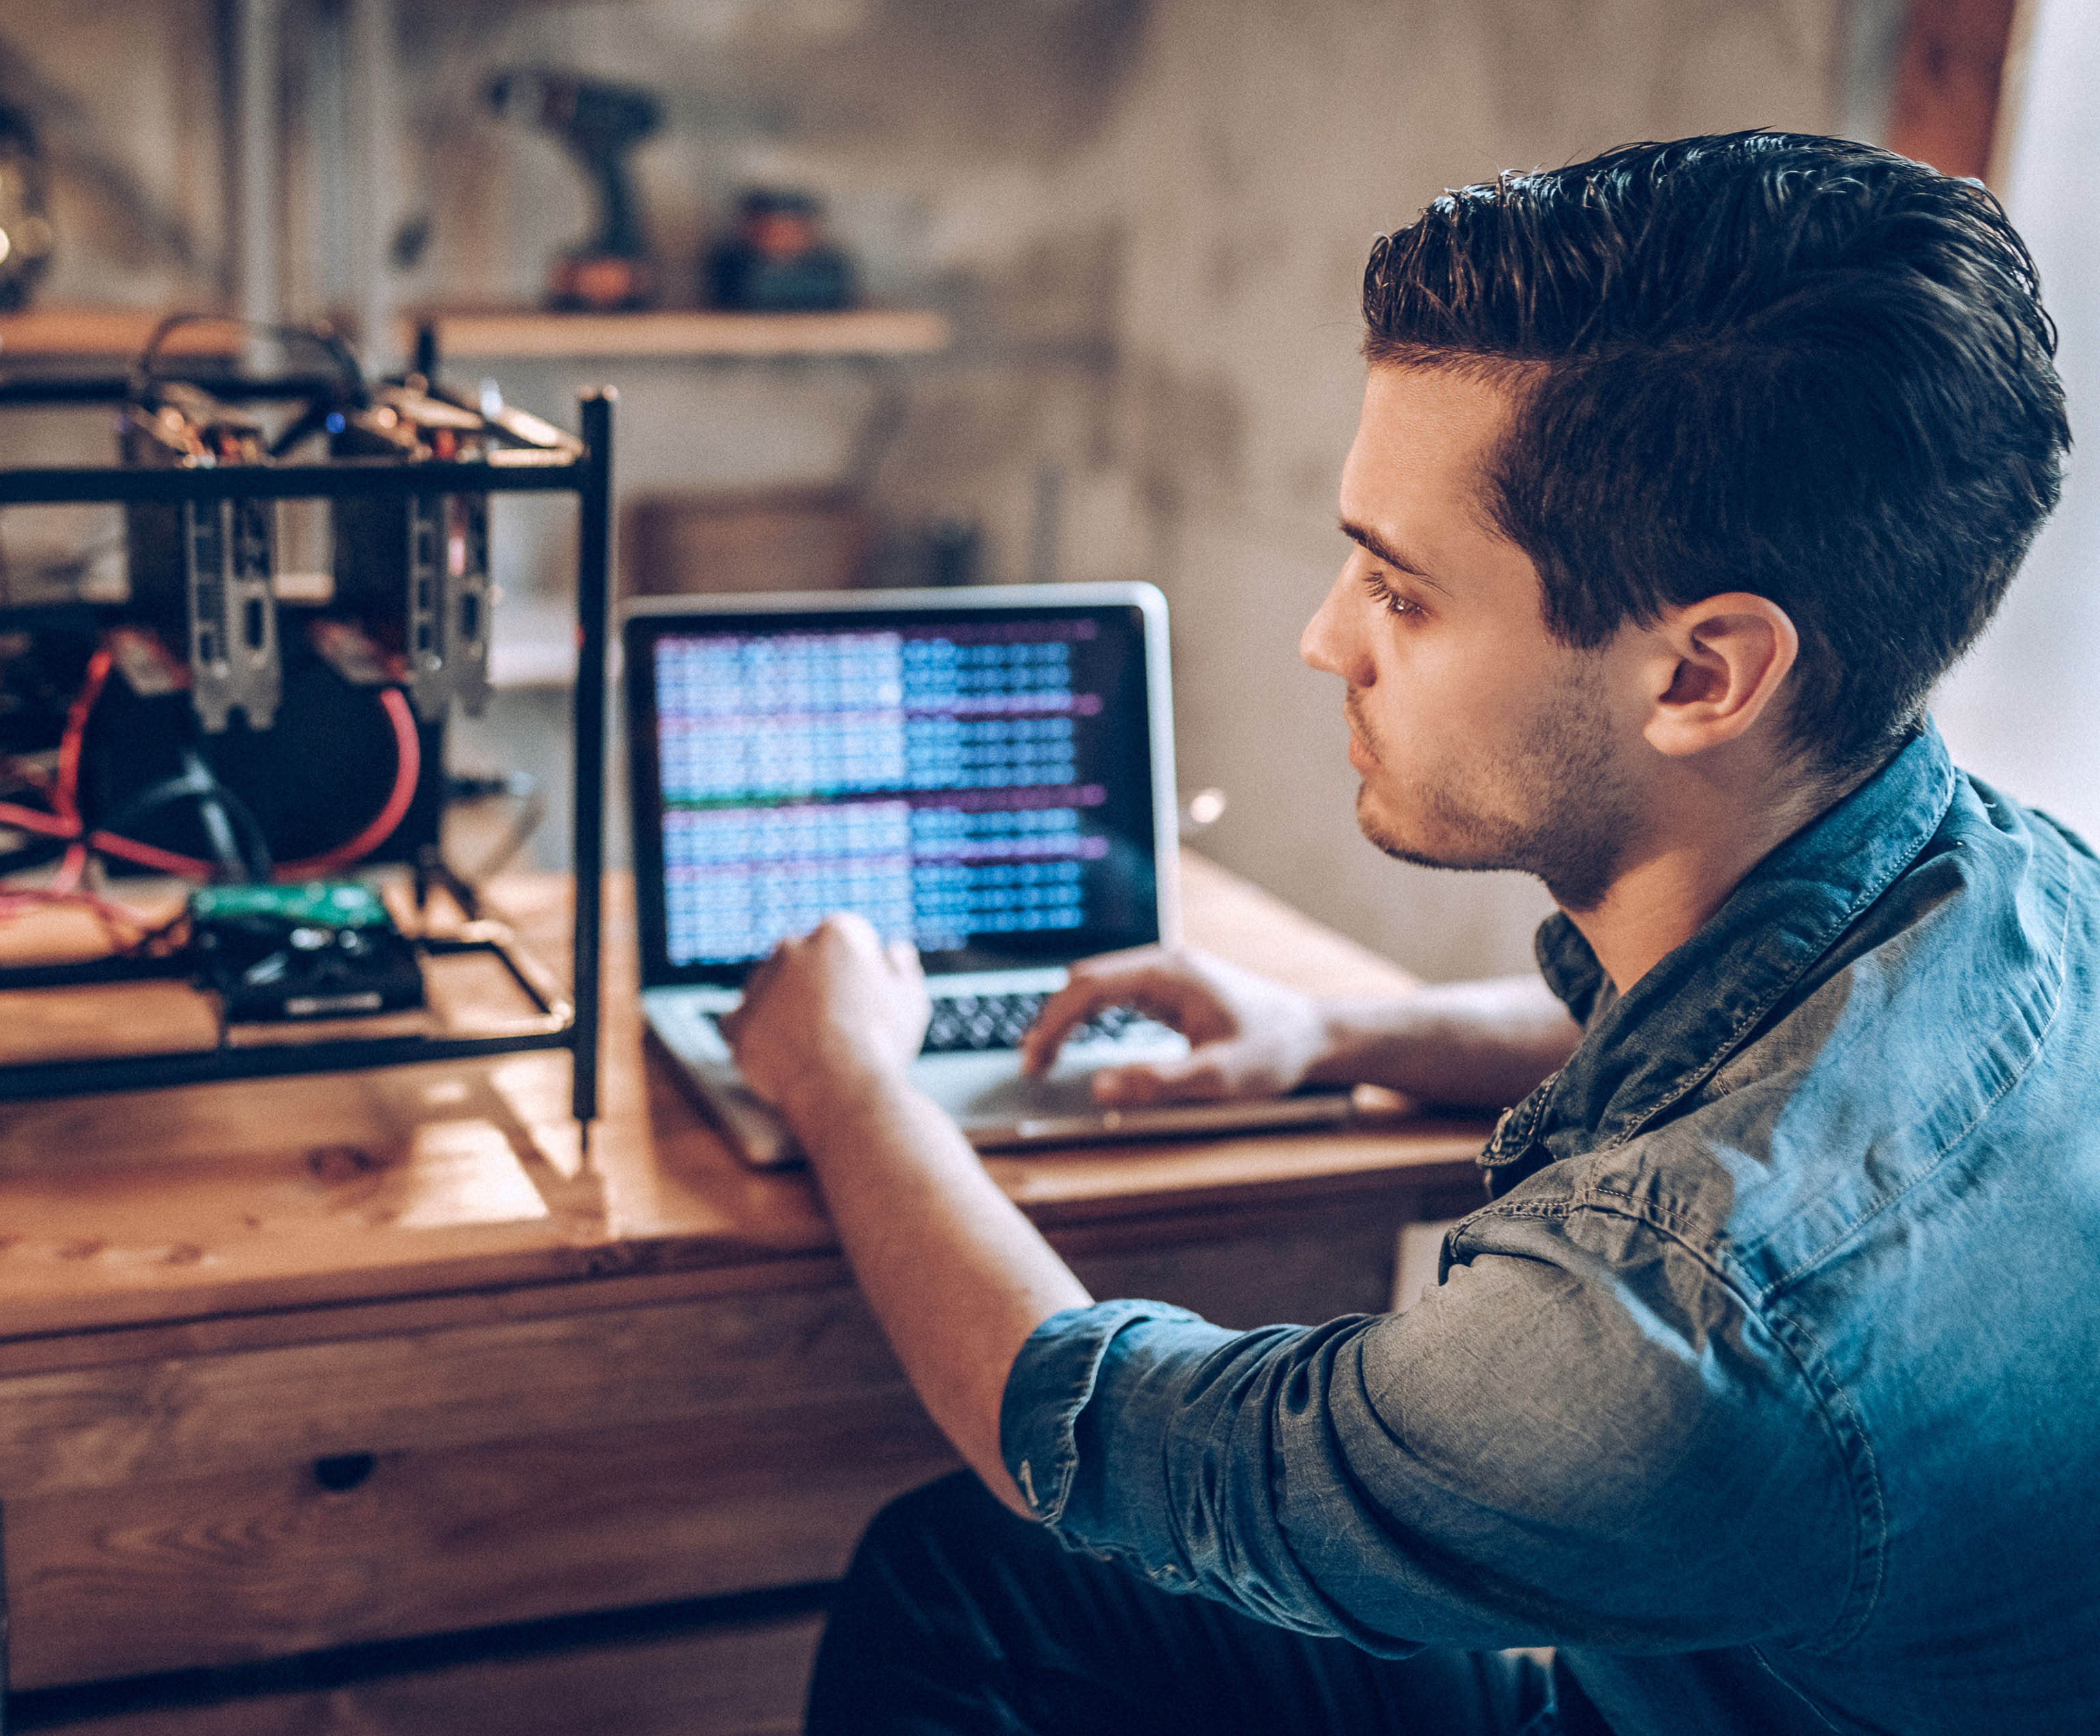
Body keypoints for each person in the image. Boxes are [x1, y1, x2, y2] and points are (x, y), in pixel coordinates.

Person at [718, 132, 2097, 1735]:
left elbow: (1100, 1438)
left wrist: (849, 1087)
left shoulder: (1671, 1345)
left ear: (1704, 673)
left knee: (997, 1556)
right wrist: (1338, 1032)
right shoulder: (2016, 886)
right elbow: (1748, 1076)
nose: (1323, 638)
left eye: (1403, 592)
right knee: (972, 1575)